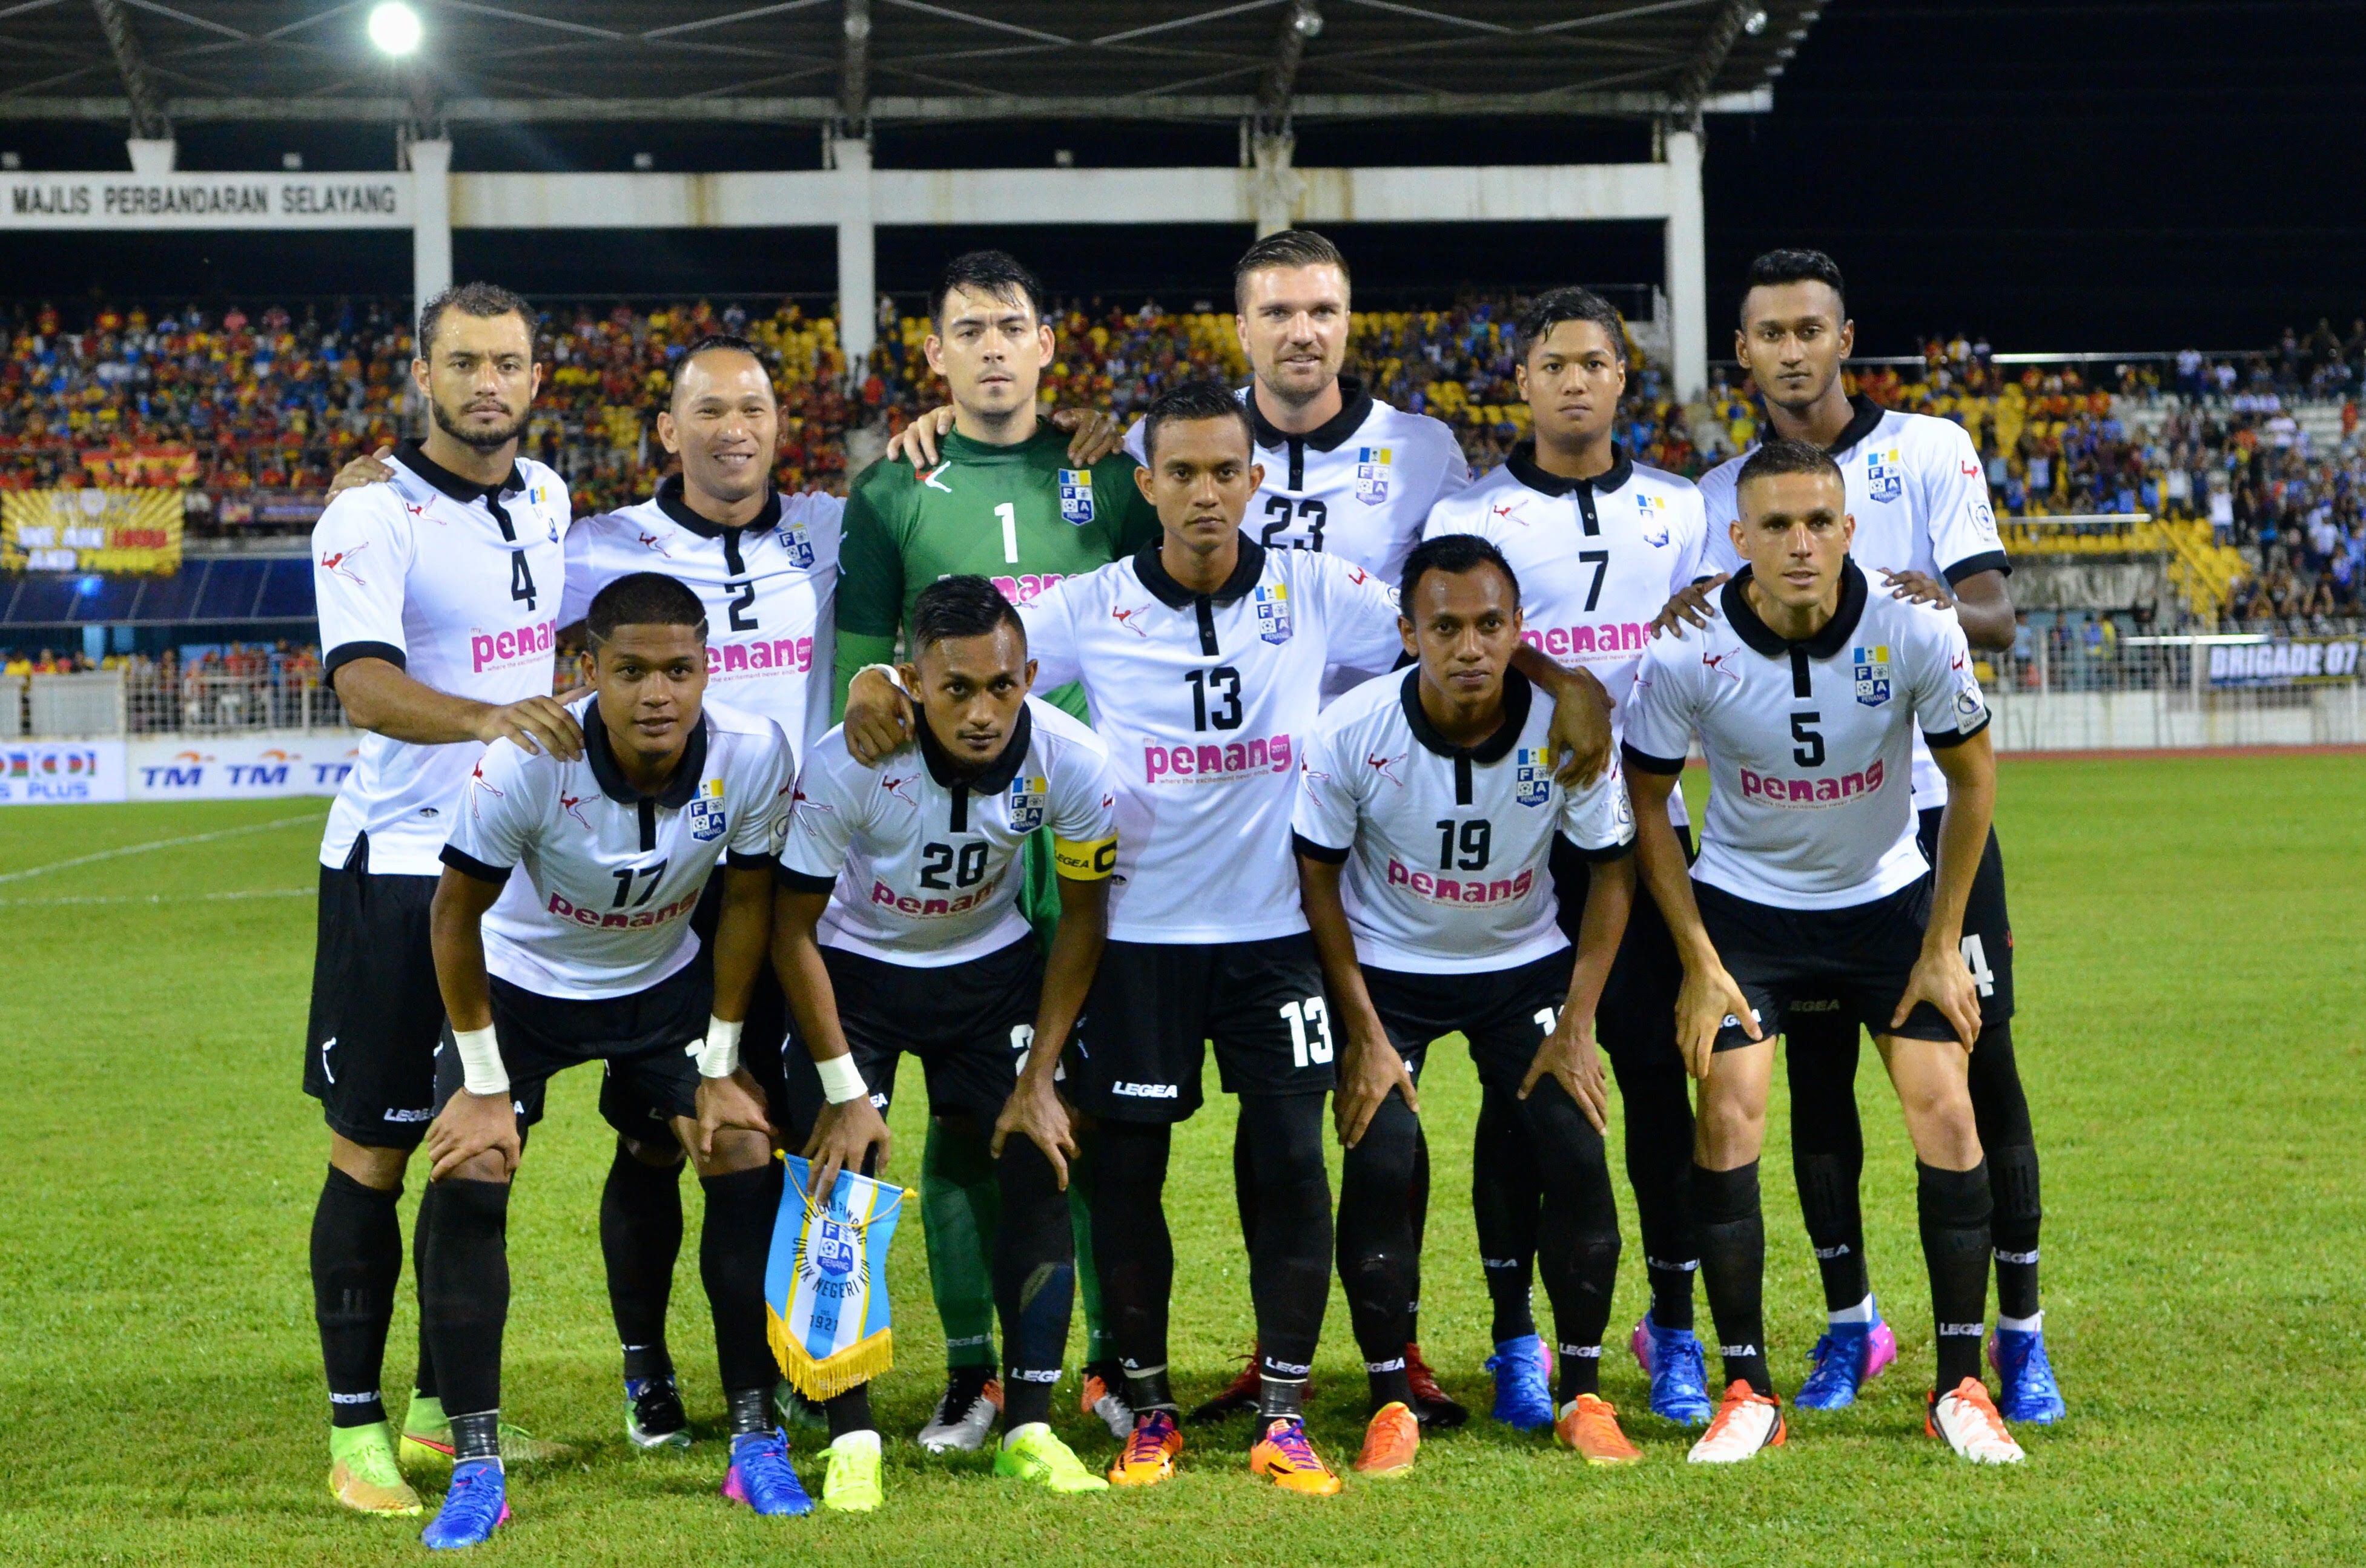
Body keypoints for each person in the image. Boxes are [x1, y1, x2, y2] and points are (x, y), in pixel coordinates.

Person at [321, 324, 1120, 1451]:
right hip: (650, 872)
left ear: (781, 427)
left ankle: (795, 1381)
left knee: (772, 1135)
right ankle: (648, 1383)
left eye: (754, 410)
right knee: (653, 1141)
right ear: (667, 430)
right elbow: (468, 560)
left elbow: (929, 606)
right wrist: (382, 478)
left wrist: (1046, 449)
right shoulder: (593, 542)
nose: (733, 430)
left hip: (792, 875)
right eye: (708, 411)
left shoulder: (835, 527)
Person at [848, 378, 1606, 1492]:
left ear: (1256, 482)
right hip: (1138, 936)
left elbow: (1446, 630)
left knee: (1292, 1160)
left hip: (1277, 932)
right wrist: (875, 674)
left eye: (1226, 473)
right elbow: (978, 658)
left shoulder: (1309, 586)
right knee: (1128, 1173)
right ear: (1144, 484)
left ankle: (1287, 1407)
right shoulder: (1096, 600)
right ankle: (1148, 1403)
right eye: (1183, 474)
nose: (1206, 494)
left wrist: (1560, 677)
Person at [1667, 249, 2064, 1424]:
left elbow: (1991, 608)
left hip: (1928, 831)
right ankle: (1852, 1324)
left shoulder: (1927, 448)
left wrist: (1881, 596)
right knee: (1818, 1083)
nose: (1791, 350)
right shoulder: (1720, 493)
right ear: (1740, 353)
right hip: (1797, 841)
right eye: (1768, 334)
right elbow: (1704, 630)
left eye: (1810, 328)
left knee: (1977, 1068)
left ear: (1846, 337)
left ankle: (2019, 1333)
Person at [1622, 440, 2023, 1466]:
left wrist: (1941, 945)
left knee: (1949, 1107)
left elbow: (1973, 782)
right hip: (1749, 912)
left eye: (1819, 523)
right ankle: (1748, 1386)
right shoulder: (1686, 649)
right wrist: (1701, 958)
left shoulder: (1916, 625)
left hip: (1887, 904)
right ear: (1739, 538)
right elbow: (1648, 805)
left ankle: (1961, 1383)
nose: (1800, 544)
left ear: (1849, 531)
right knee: (1729, 1111)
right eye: (1777, 526)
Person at [833, 249, 1158, 1452]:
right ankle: (978, 1372)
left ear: (1045, 346)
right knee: (968, 1128)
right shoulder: (891, 492)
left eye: (1009, 326)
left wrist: (1118, 439)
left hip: (1090, 847)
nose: (988, 347)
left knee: (1094, 1117)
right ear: (934, 354)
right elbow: (861, 679)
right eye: (965, 329)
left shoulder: (1109, 476)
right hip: (956, 864)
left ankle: (1111, 1362)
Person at [413, 572, 801, 1548]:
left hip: (660, 986)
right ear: (589, 671)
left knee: (744, 1143)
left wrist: (718, 1059)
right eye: (630, 671)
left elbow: (747, 905)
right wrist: (484, 1083)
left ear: (709, 666)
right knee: (473, 1164)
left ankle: (756, 1437)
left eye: (680, 669)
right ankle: (475, 1461)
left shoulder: (752, 754)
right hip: (521, 989)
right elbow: (453, 915)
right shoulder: (530, 759)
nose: (658, 694)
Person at [303, 282, 580, 1517]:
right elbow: (361, 683)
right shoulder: (371, 507)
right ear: (421, 374)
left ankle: (434, 1412)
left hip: (508, 876)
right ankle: (354, 1432)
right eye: (462, 362)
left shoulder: (551, 494)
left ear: (536, 376)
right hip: (398, 873)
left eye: (507, 362)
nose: (487, 382)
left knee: (480, 1148)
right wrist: (487, 717)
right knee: (373, 1151)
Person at [1422, 286, 1719, 1430]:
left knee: (1654, 1087)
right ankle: (1515, 1342)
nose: (1576, 380)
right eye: (1554, 363)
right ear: (1526, 381)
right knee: (1520, 1099)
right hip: (1521, 838)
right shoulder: (1477, 512)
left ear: (1623, 378)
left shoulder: (1680, 508)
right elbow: (1472, 642)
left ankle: (1675, 1330)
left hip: (1653, 832)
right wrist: (1565, 683)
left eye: (1596, 361)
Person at [1294, 533, 1641, 1477]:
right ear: (1408, 632)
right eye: (1445, 626)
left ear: (1519, 629)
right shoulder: (1352, 729)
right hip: (1389, 974)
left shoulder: (1567, 731)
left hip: (1520, 969)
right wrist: (1362, 1030)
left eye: (1491, 625)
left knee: (1573, 1144)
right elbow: (1317, 878)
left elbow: (1613, 870)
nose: (1471, 647)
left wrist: (1577, 1022)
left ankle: (1583, 1394)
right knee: (1381, 1156)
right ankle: (1389, 1401)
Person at [773, 575, 1122, 1509]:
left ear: (1031, 676)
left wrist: (1041, 1074)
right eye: (956, 688)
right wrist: (845, 1089)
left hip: (991, 973)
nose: (981, 711)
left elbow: (1083, 918)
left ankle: (1033, 1426)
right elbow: (789, 928)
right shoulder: (848, 761)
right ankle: (851, 1437)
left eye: (1002, 687)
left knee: (1039, 1158)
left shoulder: (1073, 759)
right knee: (832, 1189)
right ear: (912, 681)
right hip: (856, 978)